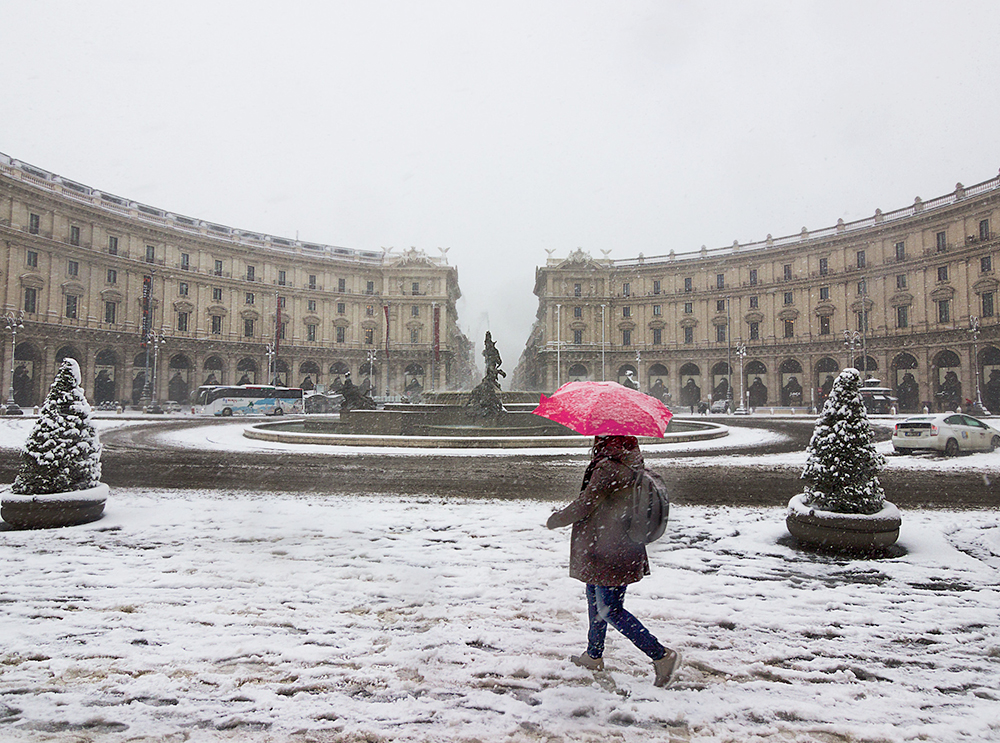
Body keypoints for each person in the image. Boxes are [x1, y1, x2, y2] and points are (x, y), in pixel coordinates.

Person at [546, 435, 682, 687]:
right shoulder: (628, 459)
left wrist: (557, 519)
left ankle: (661, 655)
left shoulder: (609, 466)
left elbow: (586, 503)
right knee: (596, 602)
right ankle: (593, 655)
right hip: (611, 545)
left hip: (610, 548)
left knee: (610, 609)